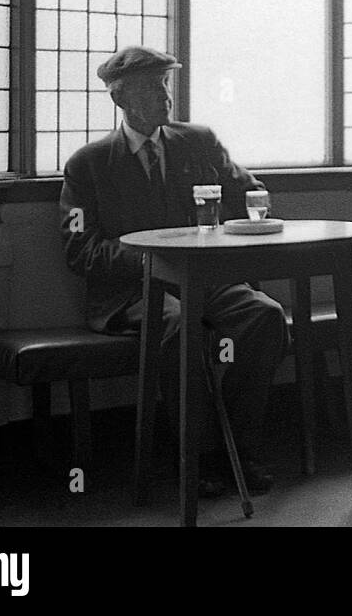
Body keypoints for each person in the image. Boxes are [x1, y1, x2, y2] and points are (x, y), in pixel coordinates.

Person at [59, 45, 288, 497]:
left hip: (207, 278)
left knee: (263, 315)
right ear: (121, 100)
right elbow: (79, 249)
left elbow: (251, 192)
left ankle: (237, 449)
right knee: (177, 325)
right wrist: (149, 258)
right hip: (134, 292)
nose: (165, 95)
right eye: (151, 86)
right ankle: (193, 456)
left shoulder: (198, 141)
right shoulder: (89, 163)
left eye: (166, 83)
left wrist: (242, 216)